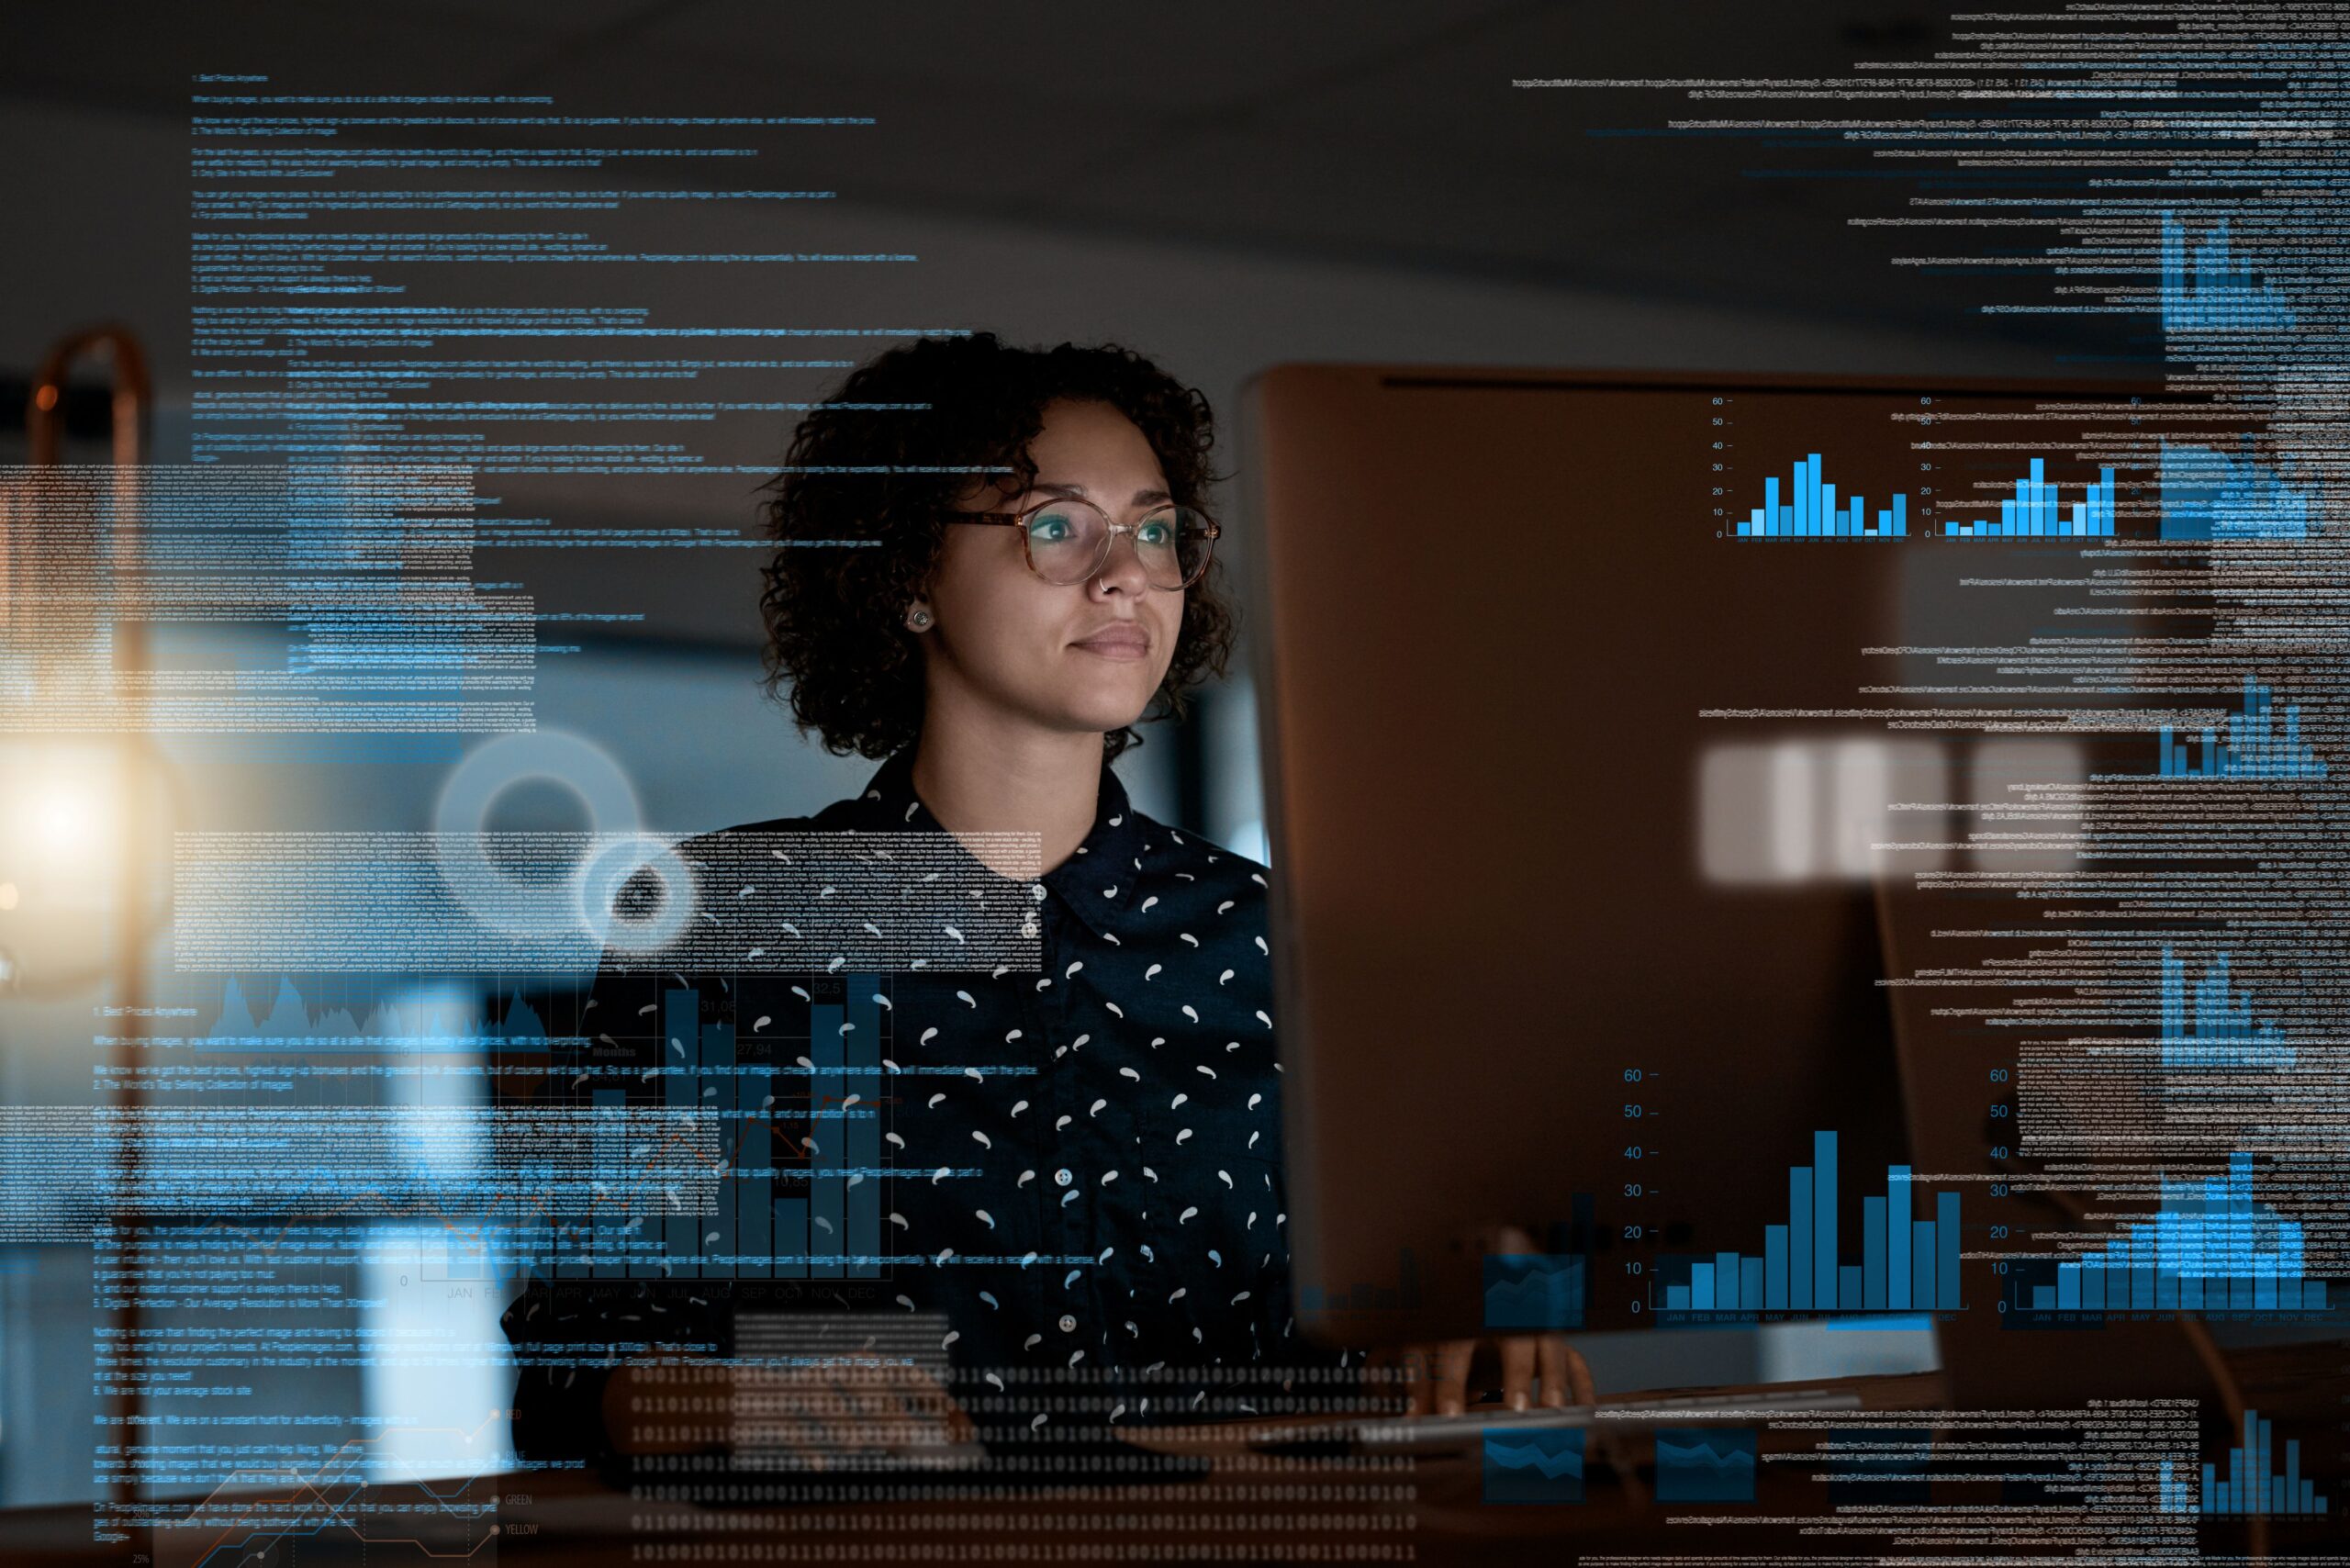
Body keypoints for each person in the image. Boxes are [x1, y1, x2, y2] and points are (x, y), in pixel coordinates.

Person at [500, 332, 1586, 1476]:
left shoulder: (1292, 942)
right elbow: (570, 1371)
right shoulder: (720, 925)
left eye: (1155, 530)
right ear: (908, 572)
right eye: (1056, 524)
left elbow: (1419, 1275)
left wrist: (1489, 1302)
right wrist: (732, 1404)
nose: (1124, 571)